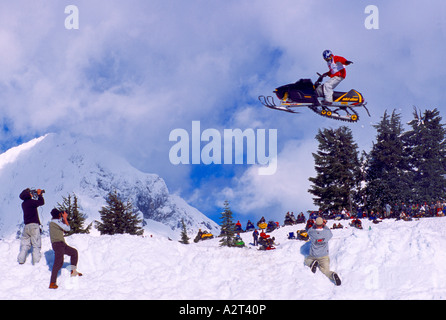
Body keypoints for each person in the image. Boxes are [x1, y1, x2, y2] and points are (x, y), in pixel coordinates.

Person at [49, 209, 82, 289]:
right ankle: (52, 283)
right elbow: (67, 229)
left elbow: (64, 228)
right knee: (58, 263)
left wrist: (63, 219)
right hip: (58, 245)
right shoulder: (55, 222)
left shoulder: (55, 222)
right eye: (60, 214)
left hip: (61, 244)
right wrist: (65, 218)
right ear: (58, 215)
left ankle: (73, 271)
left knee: (74, 252)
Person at [304, 217, 341, 286]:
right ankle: (332, 274)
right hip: (324, 256)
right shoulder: (327, 233)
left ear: (315, 223)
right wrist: (324, 224)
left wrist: (315, 225)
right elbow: (330, 232)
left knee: (306, 259)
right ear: (322, 224)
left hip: (314, 255)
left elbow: (309, 230)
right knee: (325, 270)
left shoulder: (312, 232)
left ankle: (312, 263)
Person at [17, 188, 45, 265]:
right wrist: (39, 195)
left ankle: (21, 260)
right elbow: (41, 202)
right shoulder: (31, 202)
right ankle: (36, 263)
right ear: (28, 195)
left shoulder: (23, 204)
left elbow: (32, 202)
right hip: (34, 226)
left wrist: (34, 195)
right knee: (36, 245)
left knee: (25, 245)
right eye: (30, 193)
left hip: (26, 227)